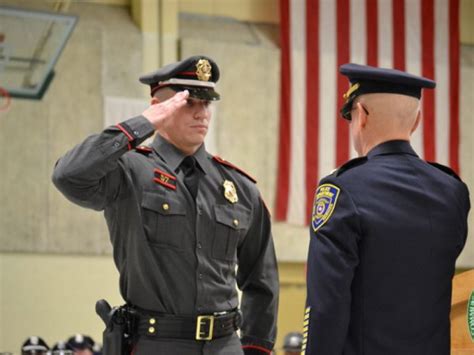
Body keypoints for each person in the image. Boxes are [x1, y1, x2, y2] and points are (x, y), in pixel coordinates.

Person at [52, 55, 279, 355]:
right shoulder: (129, 172)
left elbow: (261, 279)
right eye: (189, 103)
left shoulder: (239, 187)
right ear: (158, 106)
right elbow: (68, 176)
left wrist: (254, 349)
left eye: (207, 103)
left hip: (225, 345)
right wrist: (141, 124)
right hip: (157, 343)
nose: (202, 113)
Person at [303, 63, 470, 355]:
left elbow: (326, 306)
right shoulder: (453, 191)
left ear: (360, 116)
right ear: (416, 122)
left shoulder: (342, 190)